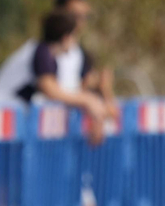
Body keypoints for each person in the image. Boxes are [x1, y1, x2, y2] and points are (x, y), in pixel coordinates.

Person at [21, 10, 110, 144]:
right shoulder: (42, 51)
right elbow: (50, 89)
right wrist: (87, 101)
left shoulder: (49, 55)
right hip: (1, 111)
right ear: (66, 37)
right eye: (74, 35)